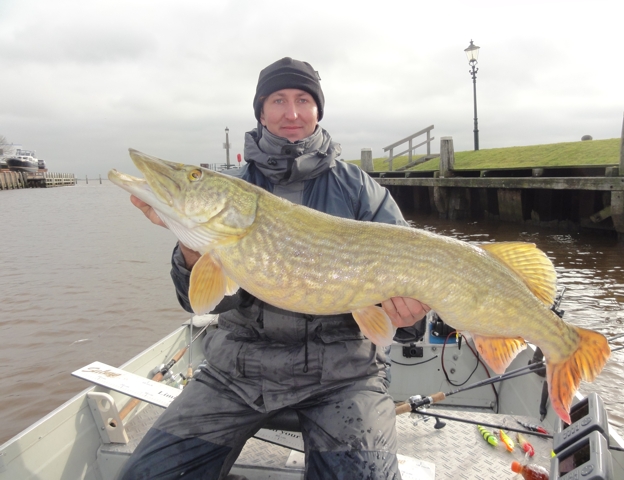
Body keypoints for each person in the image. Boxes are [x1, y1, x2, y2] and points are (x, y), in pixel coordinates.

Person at [120, 57, 429, 480]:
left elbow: (409, 324)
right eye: (278, 100)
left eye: (303, 99)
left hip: (344, 374)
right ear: (261, 111)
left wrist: (410, 313)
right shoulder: (234, 187)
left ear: (318, 110)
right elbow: (202, 301)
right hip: (240, 370)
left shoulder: (363, 193)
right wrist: (193, 251)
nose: (292, 112)